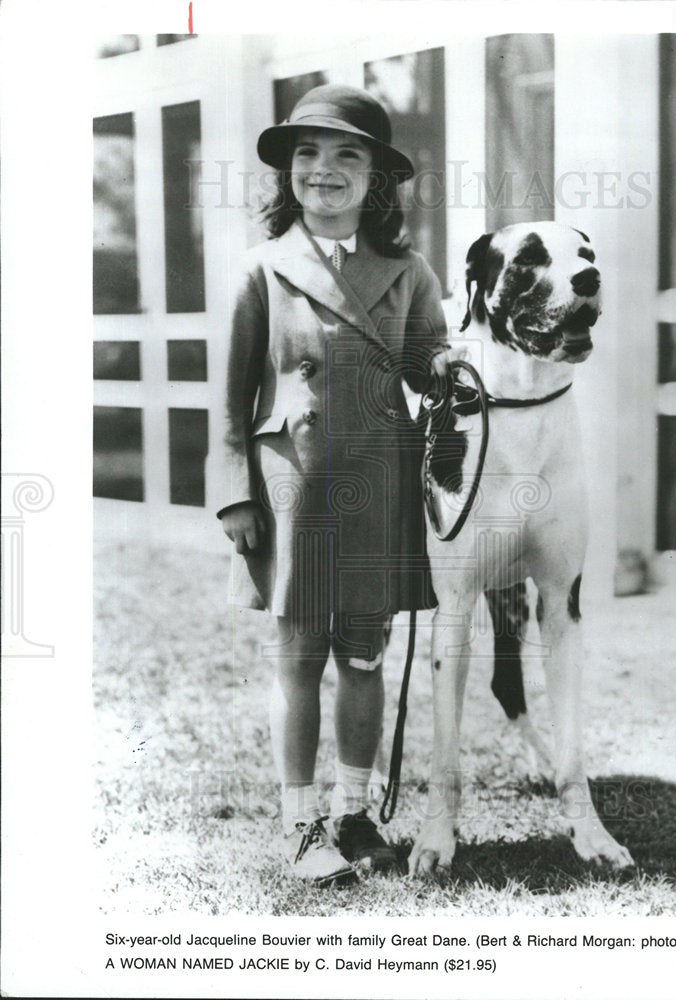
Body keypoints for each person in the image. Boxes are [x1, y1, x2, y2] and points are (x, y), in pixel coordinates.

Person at [213, 85, 448, 885]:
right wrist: (233, 493)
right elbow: (230, 395)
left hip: (379, 482)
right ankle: (300, 823)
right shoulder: (261, 269)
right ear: (288, 173)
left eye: (348, 155)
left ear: (377, 180)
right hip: (294, 488)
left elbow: (425, 360)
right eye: (308, 154)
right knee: (298, 656)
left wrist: (448, 367)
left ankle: (353, 815)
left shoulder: (408, 269)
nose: (324, 170)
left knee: (364, 655)